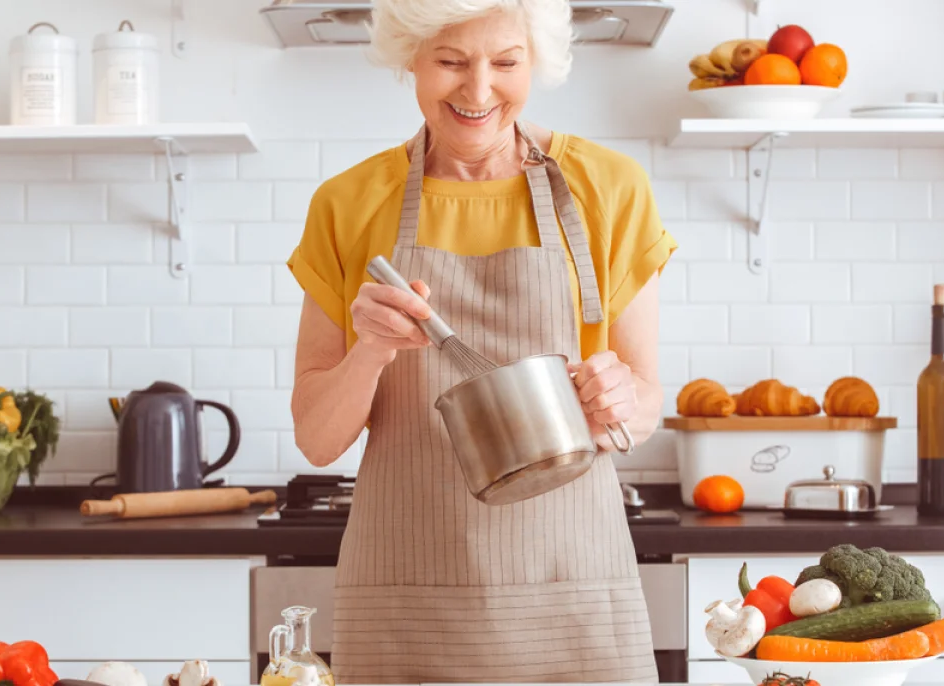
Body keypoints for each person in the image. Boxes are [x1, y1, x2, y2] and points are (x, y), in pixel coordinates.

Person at [287, 0, 677, 681]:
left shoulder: (609, 189)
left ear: (537, 63)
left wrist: (621, 395)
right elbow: (318, 439)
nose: (477, 90)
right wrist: (372, 349)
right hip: (407, 597)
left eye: (505, 62)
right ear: (410, 57)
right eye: (450, 61)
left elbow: (644, 404)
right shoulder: (347, 204)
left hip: (572, 589)